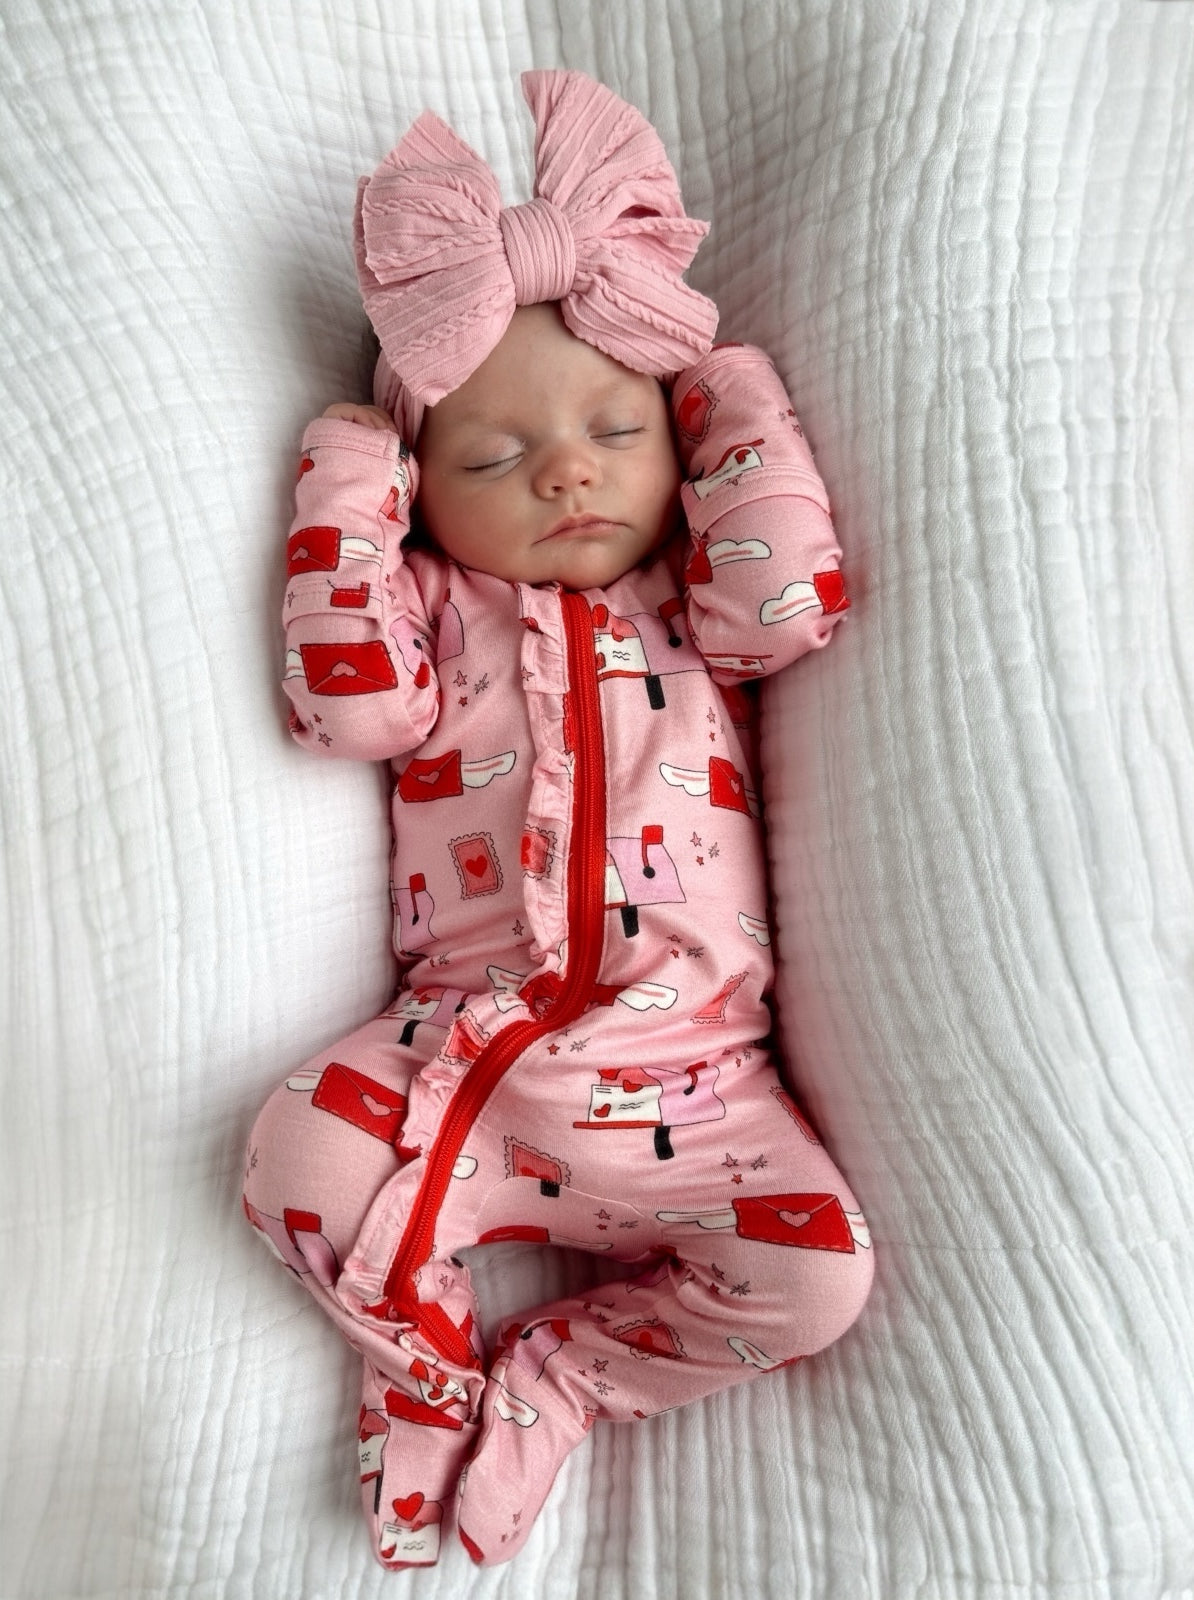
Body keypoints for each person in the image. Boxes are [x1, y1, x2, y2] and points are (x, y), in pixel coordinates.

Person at [244, 69, 873, 1571]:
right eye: (493, 457)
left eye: (616, 429)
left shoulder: (693, 604)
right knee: (291, 1158)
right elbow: (344, 707)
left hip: (696, 1079)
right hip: (460, 1051)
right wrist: (347, 491)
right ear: (426, 493)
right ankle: (422, 1354)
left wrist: (726, 391)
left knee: (819, 1281)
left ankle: (566, 1375)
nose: (569, 469)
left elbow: (793, 597)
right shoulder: (436, 604)